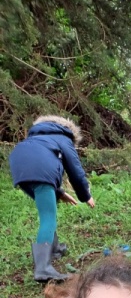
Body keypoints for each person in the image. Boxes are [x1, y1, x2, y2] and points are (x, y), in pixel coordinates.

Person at [9, 115, 95, 283]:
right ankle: (43, 269)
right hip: (40, 173)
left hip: (19, 170)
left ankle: (54, 248)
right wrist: (86, 195)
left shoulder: (35, 139)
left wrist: (59, 193)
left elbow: (37, 162)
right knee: (48, 217)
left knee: (48, 207)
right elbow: (75, 171)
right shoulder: (64, 138)